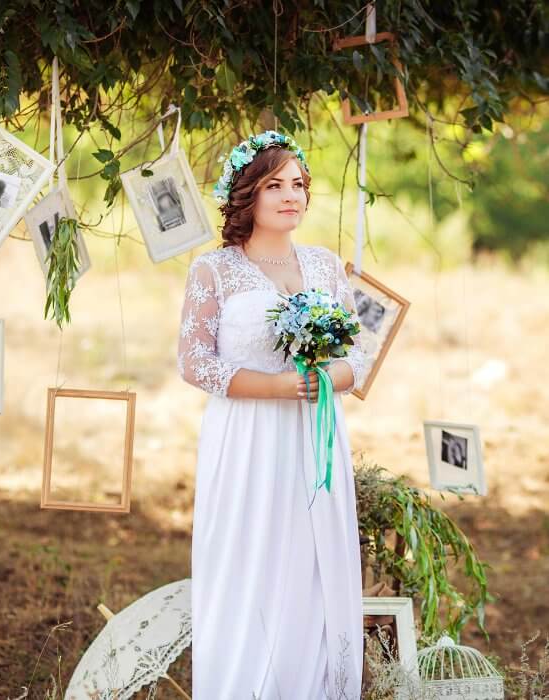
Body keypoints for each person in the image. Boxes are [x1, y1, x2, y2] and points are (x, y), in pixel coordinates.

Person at [177, 131, 366, 699]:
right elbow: (194, 364)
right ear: (247, 195)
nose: (292, 196)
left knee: (310, 562)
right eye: (275, 185)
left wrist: (323, 380)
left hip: (316, 435)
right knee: (248, 560)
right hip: (246, 438)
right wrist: (279, 385)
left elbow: (359, 355)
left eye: (299, 185)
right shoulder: (214, 271)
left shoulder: (327, 266)